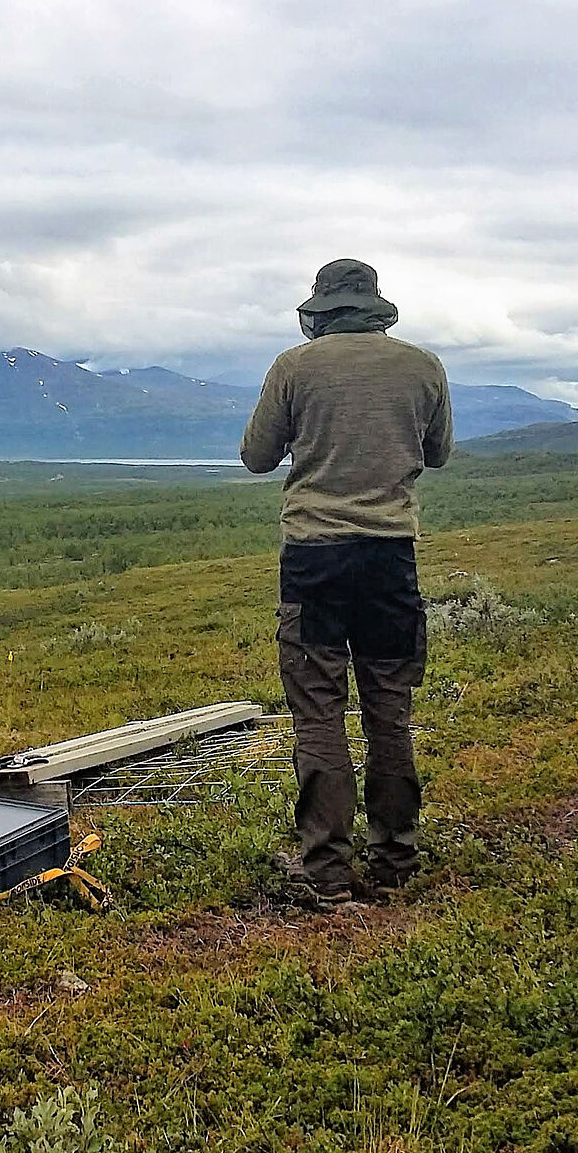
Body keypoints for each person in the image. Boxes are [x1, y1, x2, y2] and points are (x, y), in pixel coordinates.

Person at [240, 258, 453, 905]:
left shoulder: (293, 368)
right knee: (390, 711)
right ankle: (395, 858)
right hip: (390, 558)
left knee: (318, 715)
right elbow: (438, 453)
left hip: (314, 561)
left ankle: (327, 873)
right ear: (375, 306)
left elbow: (255, 457)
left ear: (319, 311)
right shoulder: (424, 367)